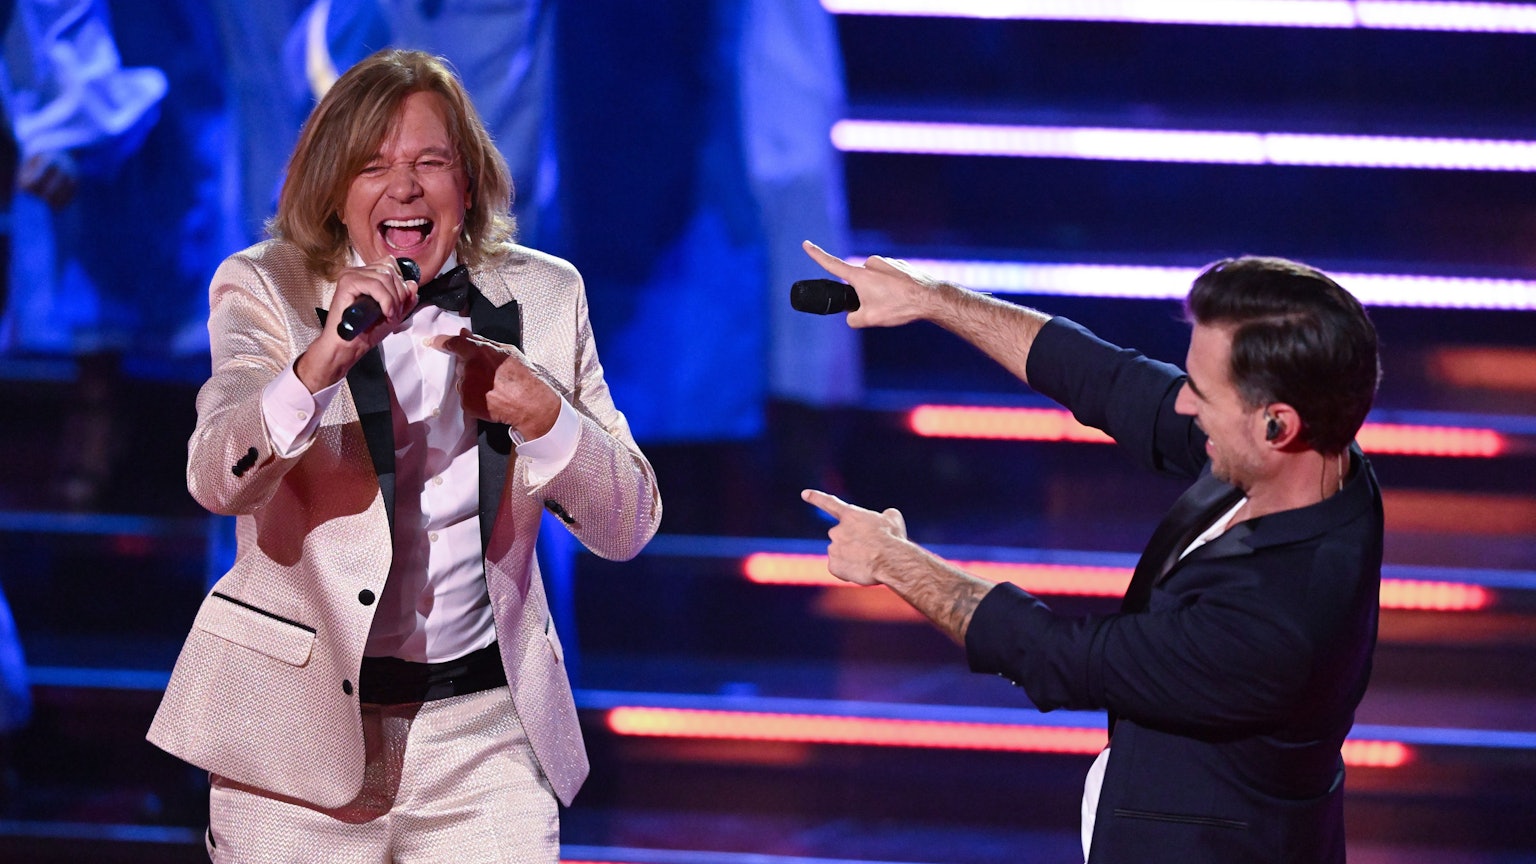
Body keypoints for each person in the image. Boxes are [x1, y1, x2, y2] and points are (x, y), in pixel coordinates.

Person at [147, 49, 662, 862]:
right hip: (296, 733)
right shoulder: (264, 288)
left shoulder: (545, 295)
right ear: (335, 189)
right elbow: (217, 476)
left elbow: (628, 523)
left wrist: (546, 416)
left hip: (482, 736)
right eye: (374, 166)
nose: (406, 187)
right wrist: (319, 365)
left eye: (431, 162)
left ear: (469, 183)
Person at [799, 241, 1382, 864]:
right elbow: (1111, 381)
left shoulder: (1275, 621)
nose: (1184, 403)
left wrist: (893, 559)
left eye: (1204, 396)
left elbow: (1056, 656)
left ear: (1277, 424)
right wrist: (931, 300)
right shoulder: (1315, 464)